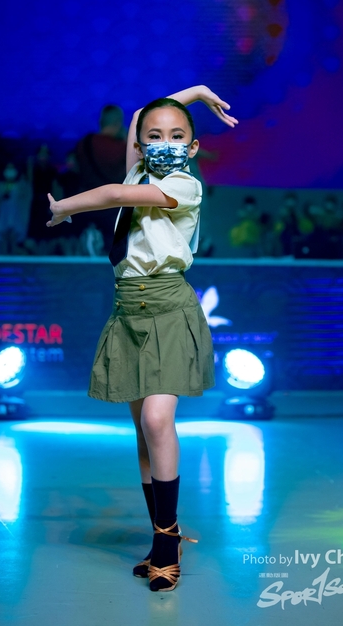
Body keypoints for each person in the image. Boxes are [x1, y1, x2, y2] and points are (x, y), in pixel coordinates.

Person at [46, 85, 237, 592]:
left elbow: (112, 196)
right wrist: (195, 93)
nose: (163, 142)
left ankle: (167, 542)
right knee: (144, 433)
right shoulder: (138, 170)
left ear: (193, 147)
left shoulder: (185, 185)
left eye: (176, 136)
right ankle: (160, 538)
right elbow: (138, 116)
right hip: (128, 307)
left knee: (157, 420)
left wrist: (64, 207)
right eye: (154, 136)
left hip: (168, 307)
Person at [75, 104, 127, 253]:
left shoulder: (83, 144)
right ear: (118, 123)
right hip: (114, 210)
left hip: (86, 206)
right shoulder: (122, 148)